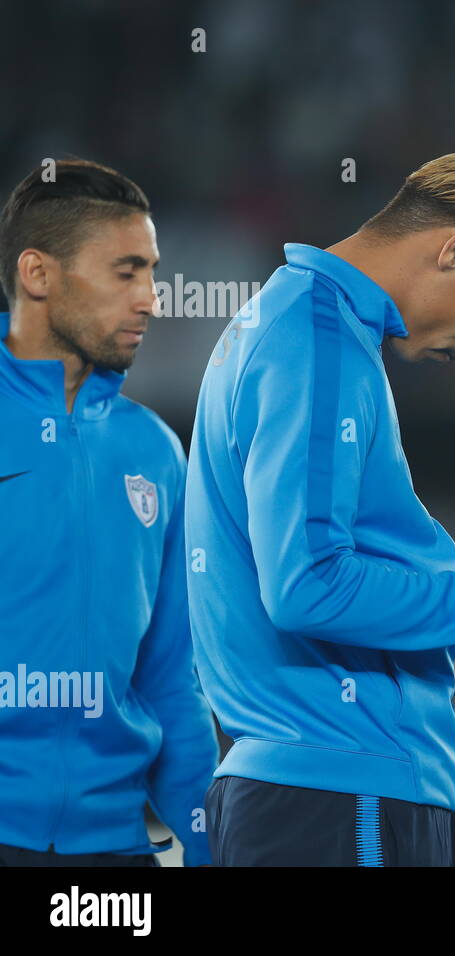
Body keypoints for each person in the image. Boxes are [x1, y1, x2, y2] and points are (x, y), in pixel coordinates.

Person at [186, 134, 455, 866]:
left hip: (311, 794)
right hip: (341, 799)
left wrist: (436, 650)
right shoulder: (317, 342)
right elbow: (307, 587)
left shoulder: (297, 323)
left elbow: (300, 583)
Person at [0, 159, 217, 866]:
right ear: (38, 275)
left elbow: (170, 678)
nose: (152, 298)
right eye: (126, 272)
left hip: (116, 857)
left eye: (152, 272)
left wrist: (212, 843)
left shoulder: (154, 449)